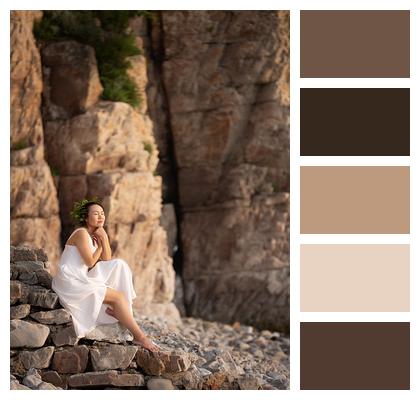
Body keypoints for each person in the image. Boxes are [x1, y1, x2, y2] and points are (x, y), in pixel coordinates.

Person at [51, 196, 160, 353]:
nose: (101, 216)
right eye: (96, 213)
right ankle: (140, 337)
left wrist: (104, 239)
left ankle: (122, 310)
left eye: (102, 213)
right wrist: (101, 245)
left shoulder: (95, 236)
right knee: (118, 297)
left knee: (119, 264)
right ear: (85, 218)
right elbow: (90, 262)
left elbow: (107, 260)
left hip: (81, 277)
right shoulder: (81, 233)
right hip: (70, 281)